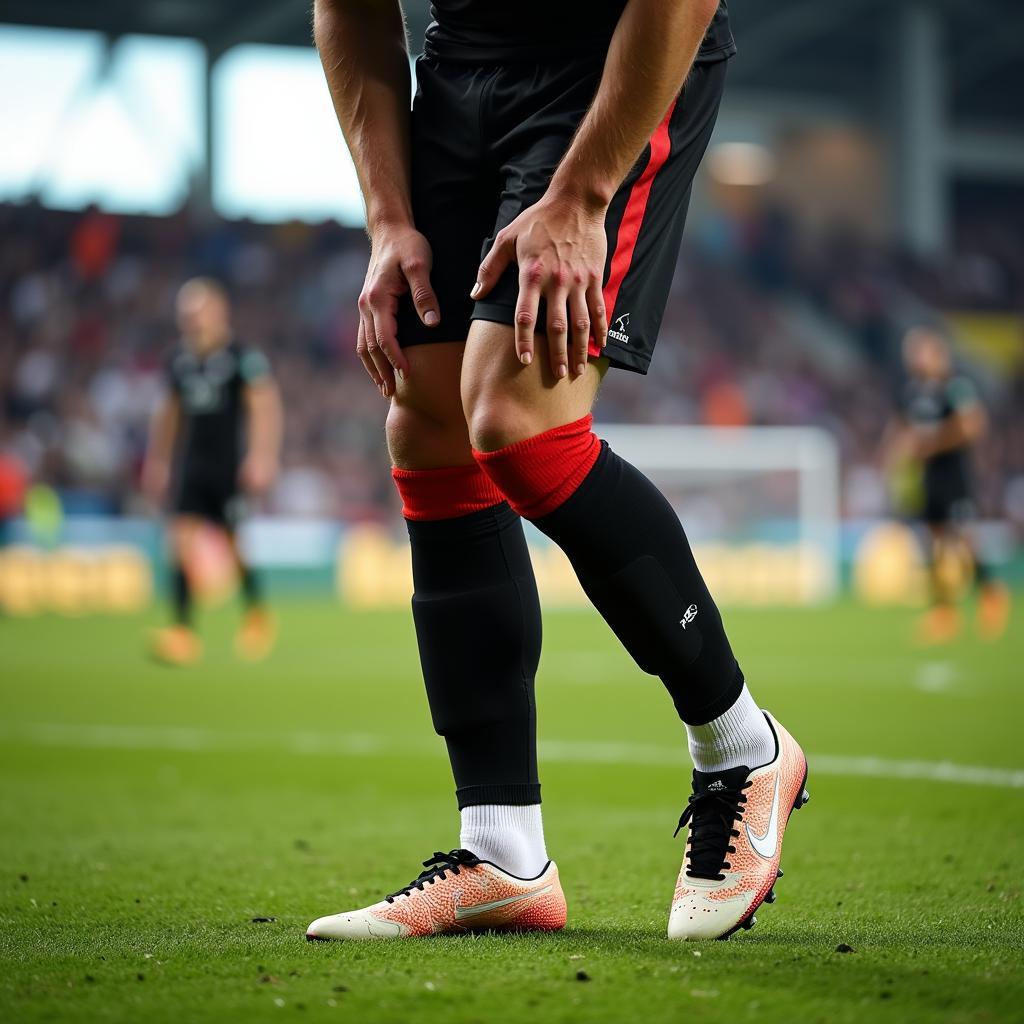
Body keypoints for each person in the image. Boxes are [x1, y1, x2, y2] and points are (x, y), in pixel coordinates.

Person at [306, 0, 808, 943]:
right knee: (428, 421)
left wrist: (579, 201)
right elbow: (350, 6)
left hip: (618, 52)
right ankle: (502, 853)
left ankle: (743, 744)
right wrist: (386, 220)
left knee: (515, 422)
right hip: (461, 66)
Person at [143, 278, 282, 665]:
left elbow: (264, 406)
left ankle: (256, 615)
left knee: (235, 543)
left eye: (197, 310)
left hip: (228, 466)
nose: (190, 319)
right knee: (180, 541)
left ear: (219, 311)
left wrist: (261, 455)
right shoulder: (179, 361)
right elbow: (168, 415)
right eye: (185, 313)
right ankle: (183, 631)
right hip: (192, 464)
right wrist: (158, 462)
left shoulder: (241, 356)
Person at [885, 326, 1011, 643]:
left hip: (953, 473)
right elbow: (901, 429)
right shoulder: (912, 391)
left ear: (937, 352)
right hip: (926, 477)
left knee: (964, 538)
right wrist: (895, 459)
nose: (913, 356)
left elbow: (973, 426)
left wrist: (934, 443)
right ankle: (943, 611)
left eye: (919, 349)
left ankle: (991, 593)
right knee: (933, 540)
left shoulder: (955, 387)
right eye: (910, 350)